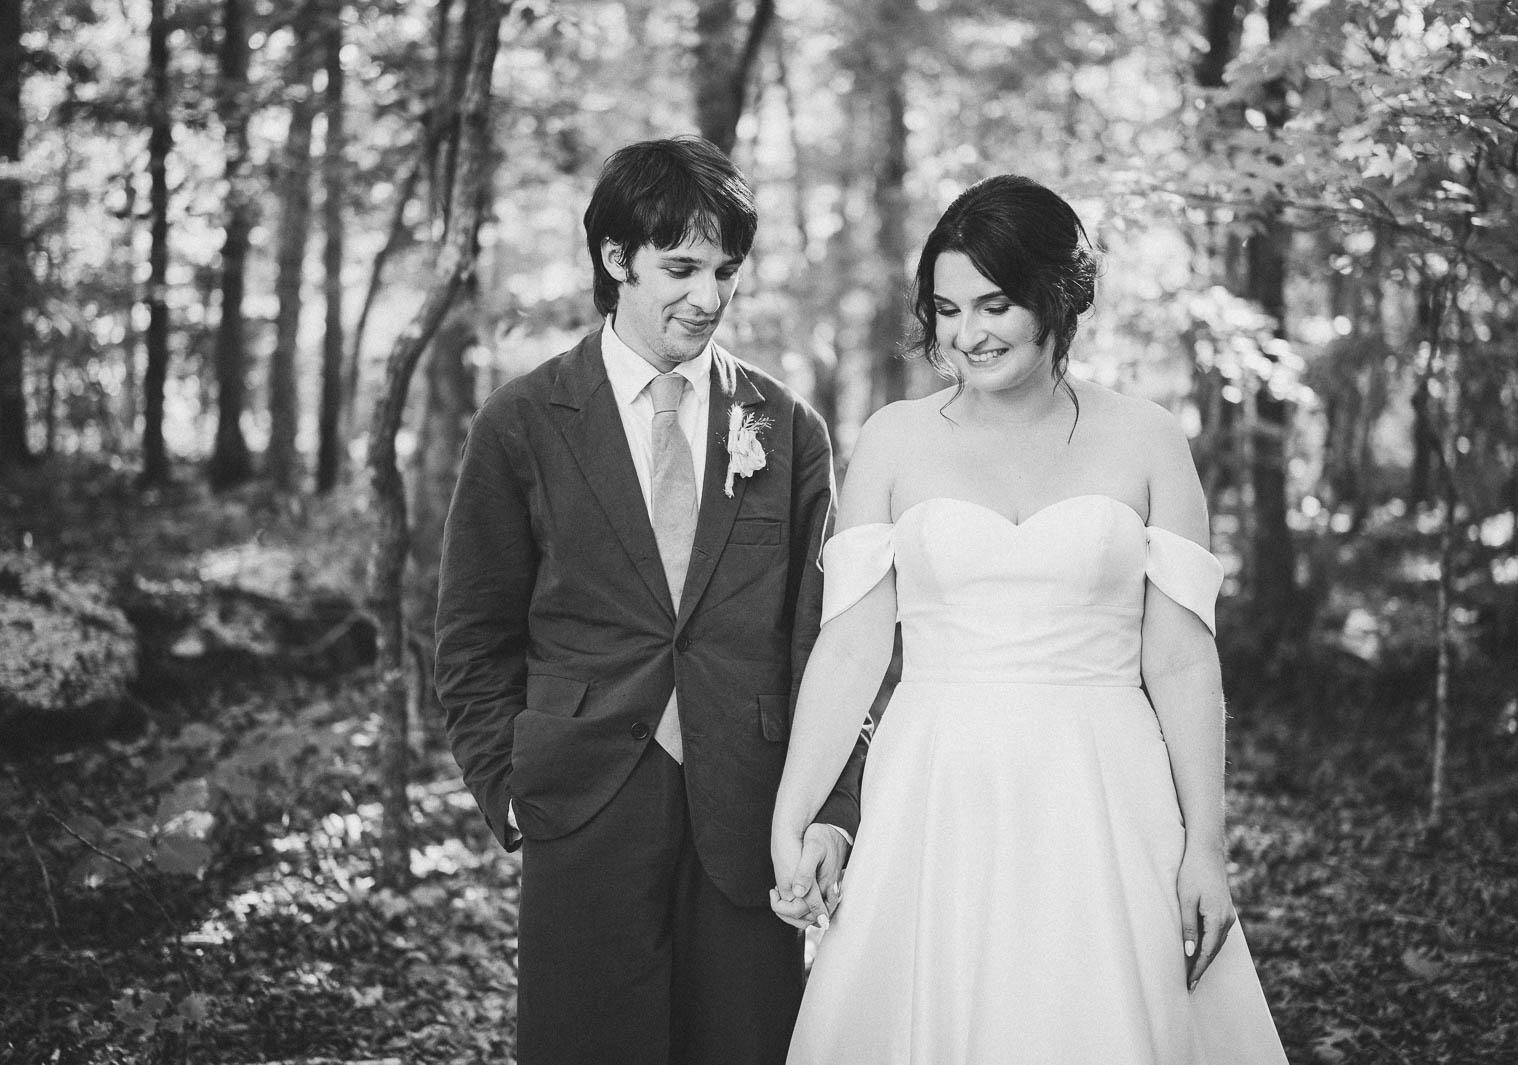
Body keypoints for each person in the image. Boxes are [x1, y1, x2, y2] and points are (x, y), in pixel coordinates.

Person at [769, 175, 1288, 1063]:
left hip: (1104, 789)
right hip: (937, 787)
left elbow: (1182, 662)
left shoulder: (1149, 439)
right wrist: (795, 811)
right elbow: (852, 643)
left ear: (1056, 295)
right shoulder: (895, 439)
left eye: (995, 304)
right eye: (946, 308)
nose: (967, 334)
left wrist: (1206, 844)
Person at [434, 135, 868, 1065]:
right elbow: (472, 637)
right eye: (681, 267)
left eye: (725, 271)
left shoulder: (787, 430)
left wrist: (831, 807)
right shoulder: (520, 422)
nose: (708, 297)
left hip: (753, 818)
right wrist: (507, 792)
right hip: (580, 805)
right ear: (616, 258)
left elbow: (830, 642)